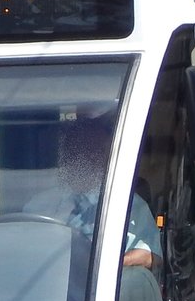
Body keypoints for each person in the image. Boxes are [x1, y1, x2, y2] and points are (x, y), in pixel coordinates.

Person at [23, 114, 161, 270]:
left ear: (105, 157)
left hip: (100, 287)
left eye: (92, 151)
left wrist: (110, 264)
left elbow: (151, 256)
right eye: (76, 150)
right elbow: (22, 250)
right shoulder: (40, 203)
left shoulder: (127, 203)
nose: (84, 158)